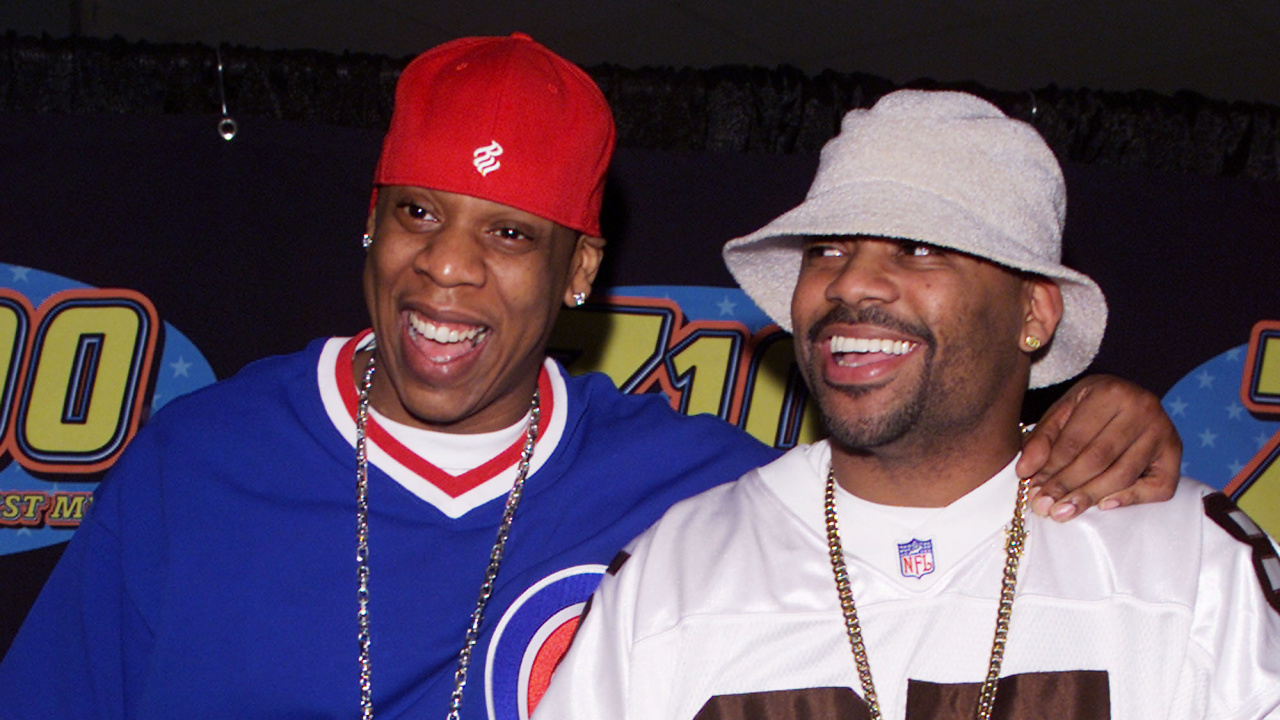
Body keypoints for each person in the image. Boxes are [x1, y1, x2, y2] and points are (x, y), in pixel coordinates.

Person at [0, 38, 1183, 720]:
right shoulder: (198, 464)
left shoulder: (693, 488)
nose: (447, 265)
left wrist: (1085, 422)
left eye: (510, 234)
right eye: (417, 213)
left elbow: (924, 506)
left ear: (578, 271)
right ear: (371, 222)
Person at [534, 90, 1280, 720]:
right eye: (827, 250)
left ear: (1033, 312)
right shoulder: (679, 568)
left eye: (918, 248)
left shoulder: (1189, 559)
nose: (850, 284)